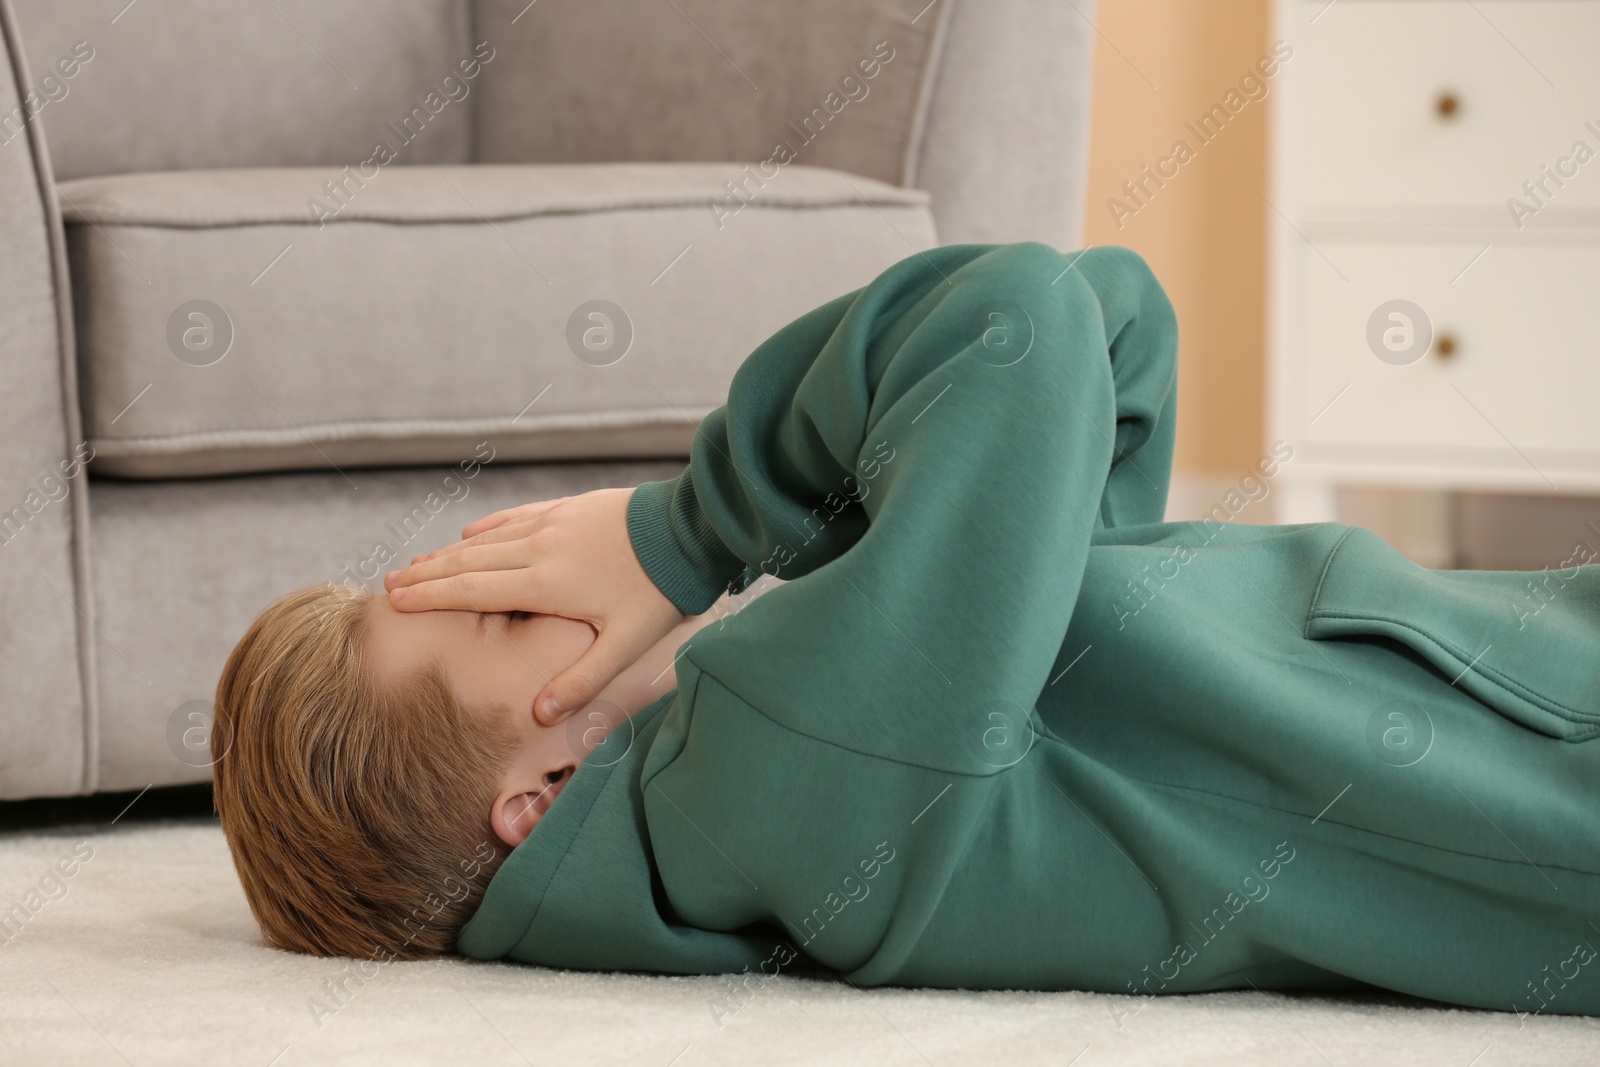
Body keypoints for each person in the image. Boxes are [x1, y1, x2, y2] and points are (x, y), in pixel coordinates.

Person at [212, 242, 1600, 1018]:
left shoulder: (792, 765)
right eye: (505, 612)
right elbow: (1017, 321)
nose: (532, 557)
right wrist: (686, 530)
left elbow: (1113, 335)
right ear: (539, 801)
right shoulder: (772, 766)